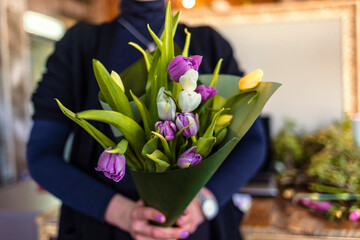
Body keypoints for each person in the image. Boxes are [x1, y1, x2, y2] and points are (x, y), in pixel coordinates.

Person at [26, 0, 267, 239]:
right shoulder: (79, 44)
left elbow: (252, 142)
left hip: (199, 229)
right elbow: (41, 155)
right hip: (101, 227)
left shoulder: (210, 44)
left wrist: (205, 201)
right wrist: (122, 212)